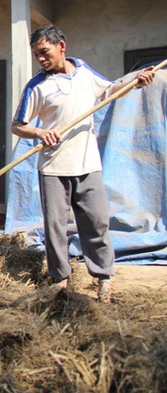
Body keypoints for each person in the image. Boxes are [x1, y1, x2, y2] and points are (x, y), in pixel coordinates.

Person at [11, 25, 155, 303]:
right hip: (53, 167)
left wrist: (136, 81)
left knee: (96, 222)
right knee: (55, 227)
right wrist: (40, 132)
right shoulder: (37, 86)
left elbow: (111, 89)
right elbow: (17, 125)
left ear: (61, 46)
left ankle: (103, 279)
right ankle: (61, 279)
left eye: (44, 52)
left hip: (88, 164)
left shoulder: (85, 74)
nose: (41, 59)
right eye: (36, 55)